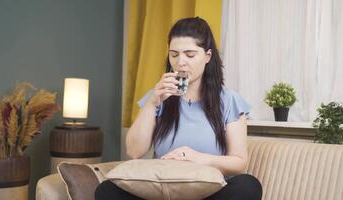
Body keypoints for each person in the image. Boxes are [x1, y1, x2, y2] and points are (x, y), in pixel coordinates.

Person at [95, 17, 262, 200]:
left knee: (248, 186)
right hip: (162, 191)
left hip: (208, 192)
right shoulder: (158, 97)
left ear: (207, 56)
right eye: (174, 54)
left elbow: (238, 162)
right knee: (106, 190)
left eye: (189, 55)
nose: (180, 62)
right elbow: (134, 151)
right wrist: (153, 102)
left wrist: (198, 158)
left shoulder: (229, 100)